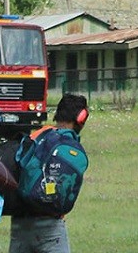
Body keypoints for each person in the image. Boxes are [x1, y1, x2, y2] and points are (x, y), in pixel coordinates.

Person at [9, 94, 90, 253]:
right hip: (50, 226)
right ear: (81, 118)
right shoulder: (70, 145)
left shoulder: (36, 136)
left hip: (20, 222)